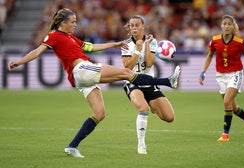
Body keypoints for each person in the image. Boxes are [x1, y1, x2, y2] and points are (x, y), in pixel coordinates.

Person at [8, 8, 181, 158]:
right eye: (73, 22)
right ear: (62, 22)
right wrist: (20, 62)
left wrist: (114, 44)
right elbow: (37, 51)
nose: (75, 25)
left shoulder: (71, 38)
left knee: (99, 113)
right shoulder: (54, 36)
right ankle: (167, 81)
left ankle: (72, 146)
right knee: (127, 73)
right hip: (82, 69)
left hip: (81, 80)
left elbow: (90, 47)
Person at [121, 15, 180, 154]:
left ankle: (153, 105)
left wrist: (146, 45)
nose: (134, 28)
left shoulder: (152, 42)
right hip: (132, 82)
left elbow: (149, 63)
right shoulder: (126, 44)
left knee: (169, 117)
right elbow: (127, 67)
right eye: (132, 25)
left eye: (137, 25)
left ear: (143, 27)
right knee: (143, 109)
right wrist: (137, 50)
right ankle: (141, 144)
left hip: (149, 82)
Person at [199, 14, 244, 142]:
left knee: (226, 102)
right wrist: (203, 71)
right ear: (221, 26)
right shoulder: (214, 40)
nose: (226, 26)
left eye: (229, 24)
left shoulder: (239, 42)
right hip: (221, 75)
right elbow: (209, 55)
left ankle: (225, 135)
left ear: (233, 27)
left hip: (235, 74)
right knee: (232, 106)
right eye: (224, 23)